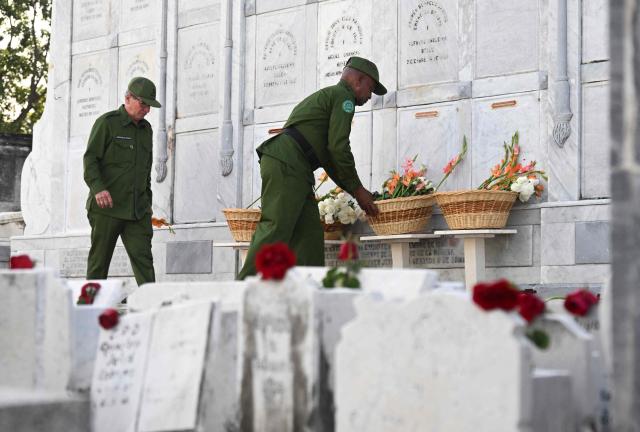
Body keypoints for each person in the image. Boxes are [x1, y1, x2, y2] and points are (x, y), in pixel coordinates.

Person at [238, 56, 385, 279]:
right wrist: (358, 190)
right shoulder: (344, 99)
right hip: (288, 163)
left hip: (293, 165)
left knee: (308, 235)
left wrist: (356, 190)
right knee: (276, 227)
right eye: (370, 88)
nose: (369, 96)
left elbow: (330, 159)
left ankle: (307, 289)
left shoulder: (331, 96)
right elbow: (339, 148)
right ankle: (242, 289)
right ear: (358, 80)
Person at [83, 76, 161, 286]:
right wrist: (98, 188)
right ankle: (89, 310)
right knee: (99, 264)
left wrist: (147, 205)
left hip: (137, 211)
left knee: (144, 260)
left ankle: (152, 308)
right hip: (107, 208)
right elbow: (90, 159)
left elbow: (144, 171)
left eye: (149, 105)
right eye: (143, 104)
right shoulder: (107, 124)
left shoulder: (146, 130)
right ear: (128, 98)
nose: (147, 110)